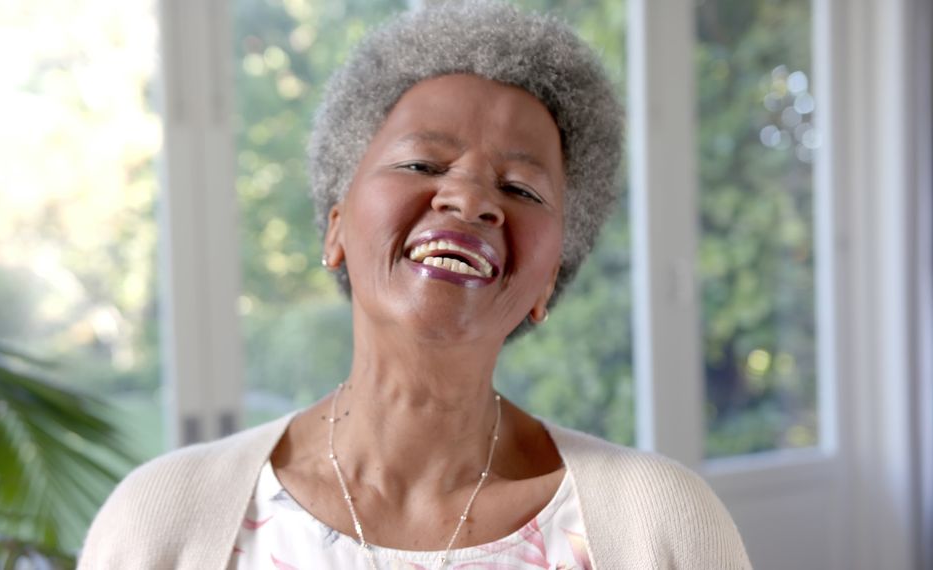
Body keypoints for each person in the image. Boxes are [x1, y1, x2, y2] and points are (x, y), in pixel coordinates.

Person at [79, 2, 752, 569]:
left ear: (551, 279)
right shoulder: (163, 521)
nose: (469, 198)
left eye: (519, 188)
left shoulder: (662, 525)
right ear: (336, 228)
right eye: (422, 162)